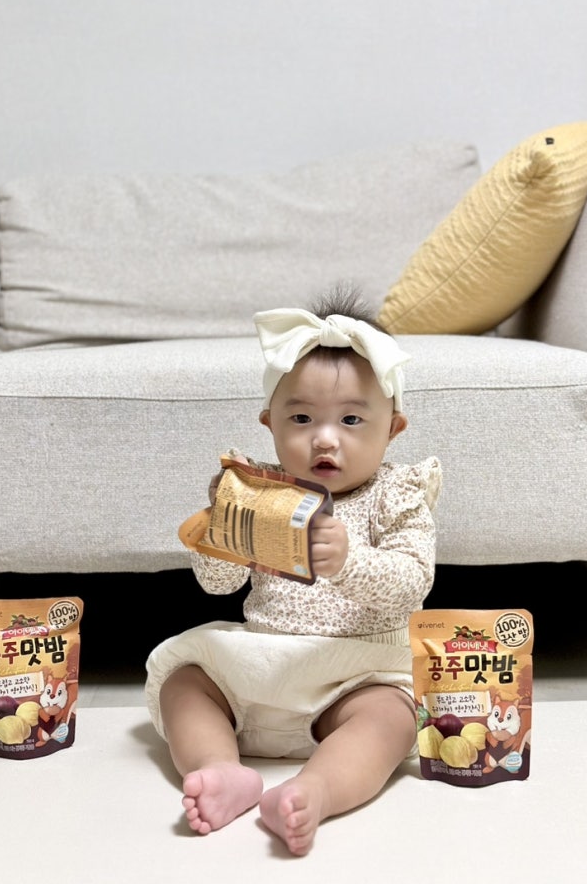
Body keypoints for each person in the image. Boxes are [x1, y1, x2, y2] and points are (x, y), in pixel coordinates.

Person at [145, 285, 441, 856]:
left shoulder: (396, 495)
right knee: (185, 683)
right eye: (301, 417)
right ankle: (220, 767)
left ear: (392, 429)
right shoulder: (262, 490)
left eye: (351, 419)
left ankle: (317, 789)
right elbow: (216, 585)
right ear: (270, 423)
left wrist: (349, 562)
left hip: (354, 677)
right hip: (261, 666)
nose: (324, 438)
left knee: (392, 716)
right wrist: (223, 530)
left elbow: (412, 583)